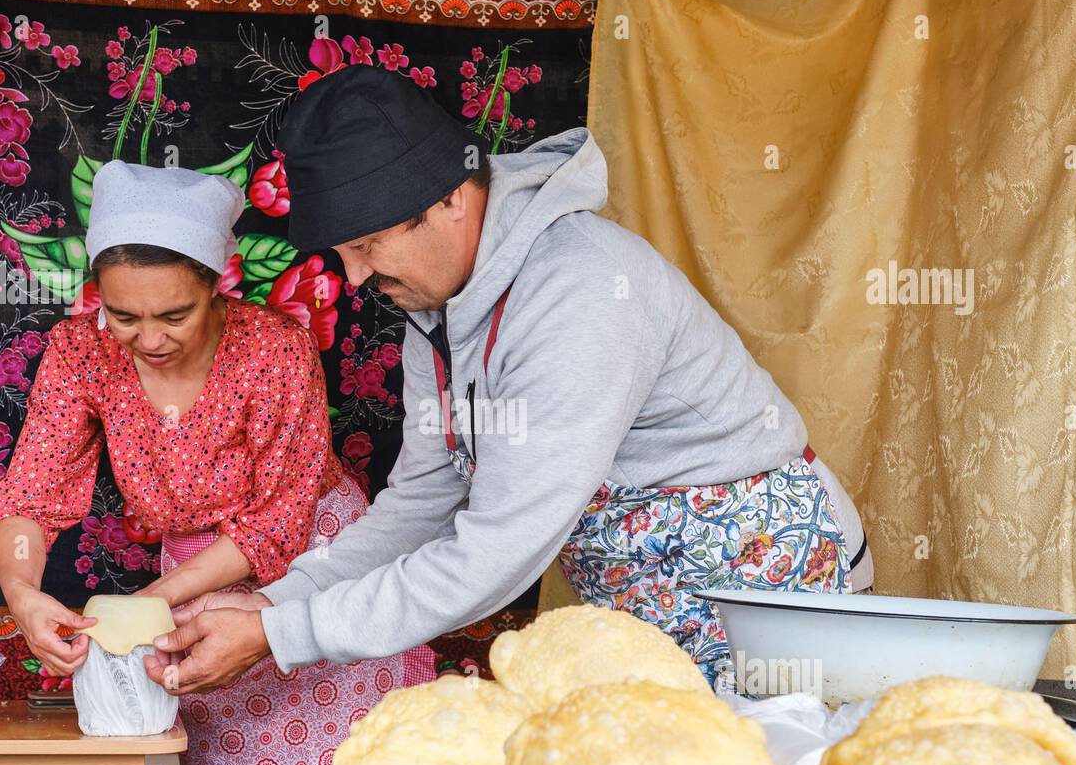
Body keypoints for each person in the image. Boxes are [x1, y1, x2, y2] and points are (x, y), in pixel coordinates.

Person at [156, 65, 874, 697]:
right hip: (654, 603)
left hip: (765, 586)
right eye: (345, 253)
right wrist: (276, 606)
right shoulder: (435, 310)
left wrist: (289, 635)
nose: (355, 278)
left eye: (368, 245)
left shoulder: (584, 291)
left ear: (451, 201)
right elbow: (422, 506)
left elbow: (498, 551)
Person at [0, 160, 433, 765]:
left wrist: (146, 606)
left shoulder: (275, 348)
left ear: (218, 283)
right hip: (191, 577)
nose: (149, 338)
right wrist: (21, 592)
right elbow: (27, 495)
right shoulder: (80, 350)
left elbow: (279, 522)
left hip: (312, 568)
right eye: (123, 315)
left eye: (174, 314)